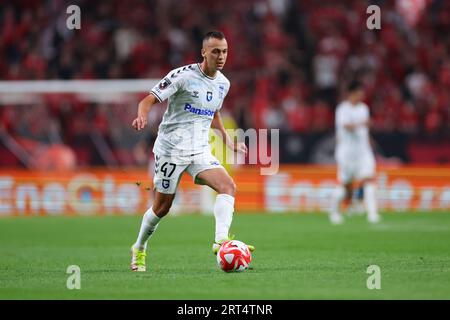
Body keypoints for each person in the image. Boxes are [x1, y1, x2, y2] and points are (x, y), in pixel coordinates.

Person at [130, 30, 254, 272]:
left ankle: (221, 240)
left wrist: (228, 142)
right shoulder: (182, 76)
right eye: (216, 51)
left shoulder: (223, 83)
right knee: (162, 208)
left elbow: (214, 113)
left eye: (225, 51)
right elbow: (147, 100)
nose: (221, 56)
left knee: (228, 186)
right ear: (204, 52)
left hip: (199, 149)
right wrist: (142, 116)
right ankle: (139, 247)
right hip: (171, 150)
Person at [329, 80, 381, 225]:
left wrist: (370, 141)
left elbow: (364, 131)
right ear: (351, 93)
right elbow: (346, 126)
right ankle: (334, 212)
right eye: (359, 93)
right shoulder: (342, 109)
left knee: (369, 181)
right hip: (346, 154)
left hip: (363, 152)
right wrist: (363, 124)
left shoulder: (364, 108)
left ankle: (373, 214)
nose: (362, 95)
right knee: (344, 187)